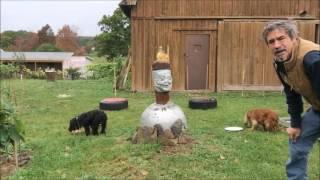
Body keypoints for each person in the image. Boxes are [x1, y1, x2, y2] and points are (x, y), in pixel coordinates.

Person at [262, 20, 320, 179]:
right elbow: (291, 93)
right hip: (318, 109)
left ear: (294, 39)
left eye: (281, 38)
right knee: (297, 140)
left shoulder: (313, 59)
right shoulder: (281, 63)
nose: (276, 45)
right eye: (271, 41)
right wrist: (295, 124)